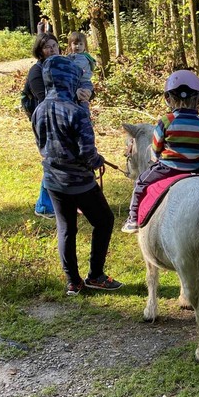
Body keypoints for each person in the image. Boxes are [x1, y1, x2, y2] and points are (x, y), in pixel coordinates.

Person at [32, 49, 123, 296]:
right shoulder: (76, 111)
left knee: (66, 228)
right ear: (70, 79)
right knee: (104, 220)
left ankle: (73, 282)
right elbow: (88, 153)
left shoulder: (39, 110)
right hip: (80, 182)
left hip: (53, 180)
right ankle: (96, 275)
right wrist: (98, 161)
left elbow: (41, 145)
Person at [121, 70, 199, 233]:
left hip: (169, 168)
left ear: (168, 99)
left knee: (140, 183)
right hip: (197, 167)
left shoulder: (166, 121)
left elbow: (156, 147)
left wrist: (155, 157)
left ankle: (133, 219)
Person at [25, 33, 65, 218]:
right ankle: (44, 205)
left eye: (54, 45)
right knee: (52, 159)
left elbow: (79, 83)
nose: (52, 49)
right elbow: (44, 98)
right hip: (45, 122)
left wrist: (86, 92)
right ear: (40, 51)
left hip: (63, 118)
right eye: (47, 47)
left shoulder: (63, 65)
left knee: (64, 159)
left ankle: (62, 201)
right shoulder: (36, 71)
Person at [66, 31, 97, 107]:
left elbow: (76, 67)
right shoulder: (71, 56)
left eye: (81, 44)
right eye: (75, 44)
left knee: (83, 97)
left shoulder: (82, 57)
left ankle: (84, 111)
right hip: (75, 82)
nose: (78, 46)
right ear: (70, 45)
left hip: (84, 82)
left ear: (85, 45)